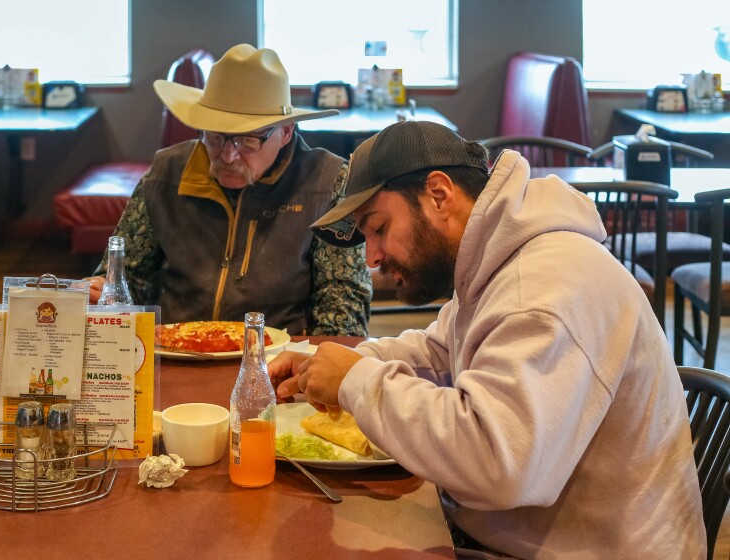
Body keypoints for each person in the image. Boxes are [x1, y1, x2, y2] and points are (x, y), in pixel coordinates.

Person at [269, 120, 706, 558]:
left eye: (379, 228)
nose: (373, 258)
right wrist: (329, 363)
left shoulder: (541, 288)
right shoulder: (499, 259)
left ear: (439, 195)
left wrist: (357, 381)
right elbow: (440, 352)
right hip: (512, 534)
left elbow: (499, 464)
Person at [86, 44, 371, 336]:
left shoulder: (329, 183)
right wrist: (102, 293)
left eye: (247, 141)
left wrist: (309, 368)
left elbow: (343, 304)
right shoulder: (165, 174)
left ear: (286, 132)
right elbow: (124, 277)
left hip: (278, 361)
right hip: (175, 351)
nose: (228, 155)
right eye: (216, 136)